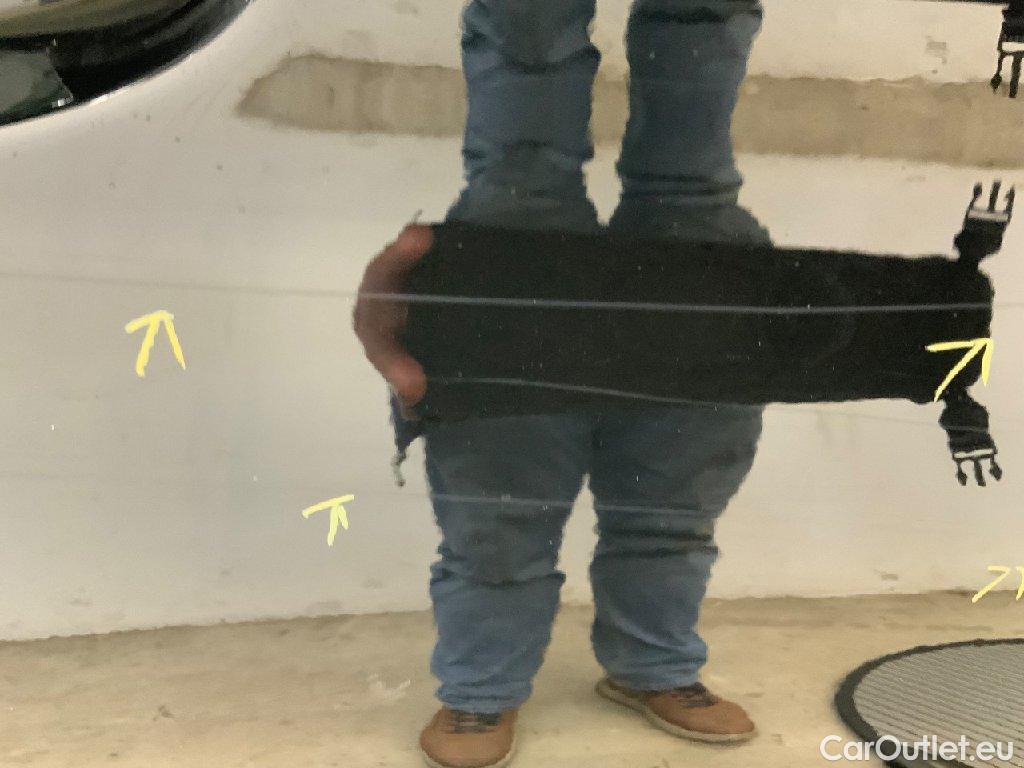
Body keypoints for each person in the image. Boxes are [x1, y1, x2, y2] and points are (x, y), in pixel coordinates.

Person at [354, 2, 769, 766]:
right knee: (499, 505)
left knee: (671, 495)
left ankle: (652, 664)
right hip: (516, 252)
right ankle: (482, 688)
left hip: (681, 254)